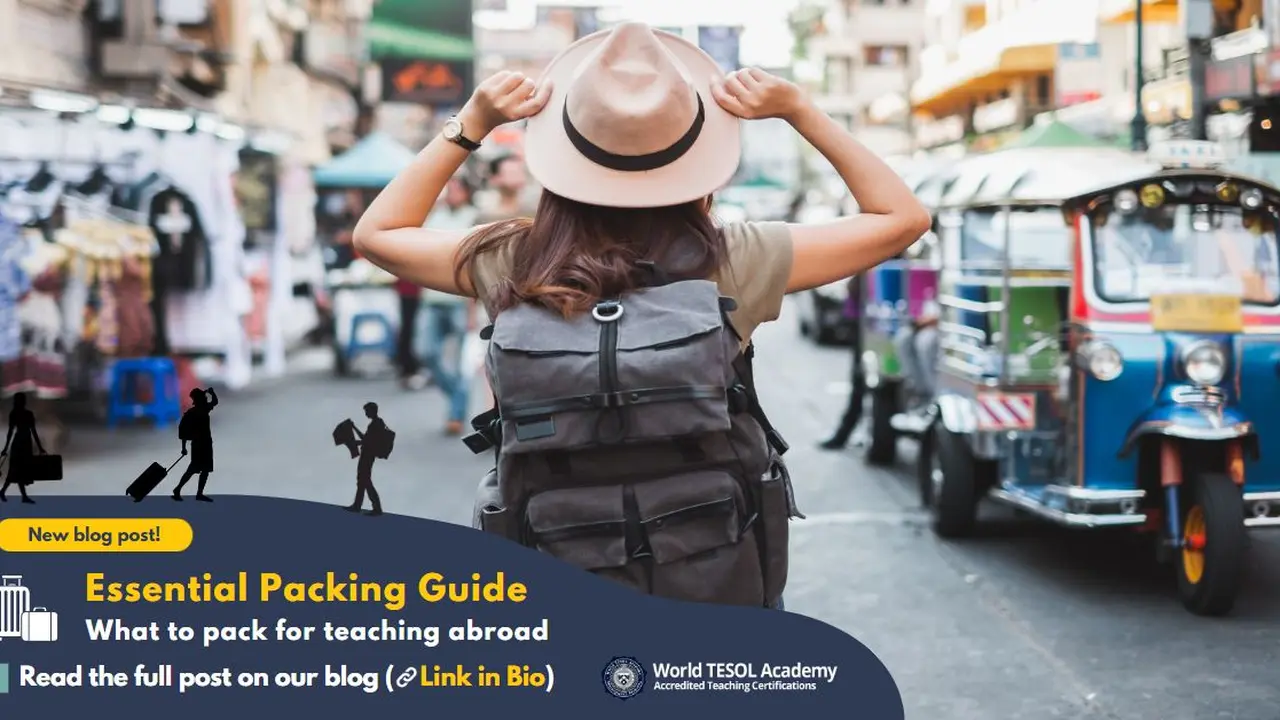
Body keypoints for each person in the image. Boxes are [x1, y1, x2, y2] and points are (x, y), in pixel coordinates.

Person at [351, 23, 929, 602]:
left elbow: (376, 234)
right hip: (713, 571)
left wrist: (470, 123)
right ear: (696, 156)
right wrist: (801, 112)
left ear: (563, 155)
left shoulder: (512, 260)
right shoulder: (734, 259)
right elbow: (901, 218)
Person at [422, 177, 480, 435]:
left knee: (459, 363)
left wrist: (472, 308)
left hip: (459, 300)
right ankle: (457, 395)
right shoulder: (436, 215)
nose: (451, 193)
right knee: (426, 352)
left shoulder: (474, 217)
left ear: (467, 193)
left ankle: (455, 413)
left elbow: (475, 266)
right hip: (432, 299)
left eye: (457, 188)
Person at [819, 275, 867, 450]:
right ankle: (846, 433)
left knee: (860, 381)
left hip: (871, 325)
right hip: (864, 322)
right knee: (860, 381)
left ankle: (844, 433)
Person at [174, 387, 218, 502]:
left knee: (205, 469)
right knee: (193, 469)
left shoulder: (200, 410)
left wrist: (212, 393)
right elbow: (183, 430)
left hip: (205, 443)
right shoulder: (195, 412)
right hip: (199, 444)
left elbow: (215, 402)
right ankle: (178, 489)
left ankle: (199, 493)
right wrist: (183, 448)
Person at [894, 297, 940, 403]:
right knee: (903, 337)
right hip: (929, 325)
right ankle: (919, 392)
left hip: (943, 328)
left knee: (926, 342)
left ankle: (934, 396)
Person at [0, 392, 44, 503]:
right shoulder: (28, 414)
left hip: (17, 442)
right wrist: (40, 447)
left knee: (17, 470)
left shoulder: (13, 413)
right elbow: (33, 431)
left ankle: (8, 492)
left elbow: (10, 432)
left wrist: (6, 448)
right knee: (20, 470)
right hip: (25, 443)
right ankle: (20, 496)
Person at [348, 402, 386, 516]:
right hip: (366, 455)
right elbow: (366, 439)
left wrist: (356, 442)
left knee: (366, 482)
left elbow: (368, 441)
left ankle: (376, 508)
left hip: (368, 456)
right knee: (362, 480)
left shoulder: (376, 424)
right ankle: (357, 505)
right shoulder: (375, 423)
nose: (366, 413)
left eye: (367, 411)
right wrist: (354, 427)